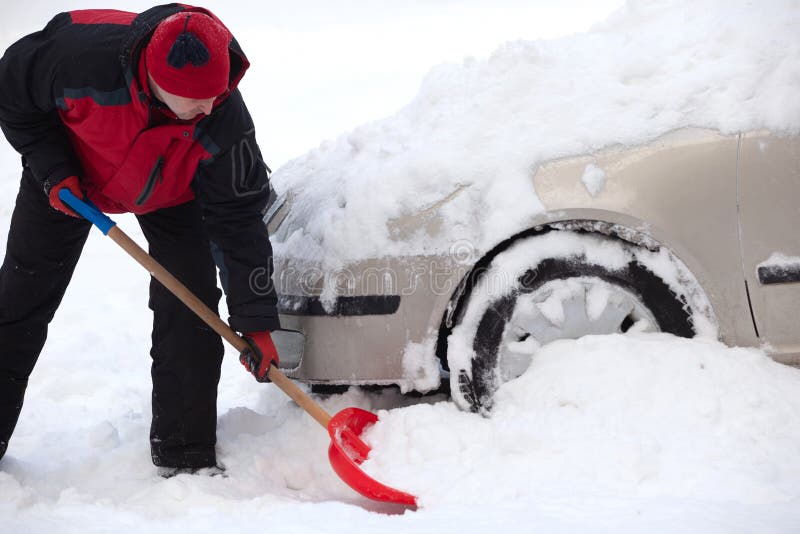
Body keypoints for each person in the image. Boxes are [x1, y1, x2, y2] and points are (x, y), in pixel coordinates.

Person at [0, 4, 281, 476]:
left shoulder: (223, 116)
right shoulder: (76, 59)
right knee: (20, 299)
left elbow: (238, 220)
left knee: (191, 306)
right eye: (195, 101)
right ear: (154, 79)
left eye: (217, 95)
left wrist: (255, 320)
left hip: (173, 192)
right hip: (70, 177)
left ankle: (185, 456)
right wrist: (53, 170)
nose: (209, 107)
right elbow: (13, 96)